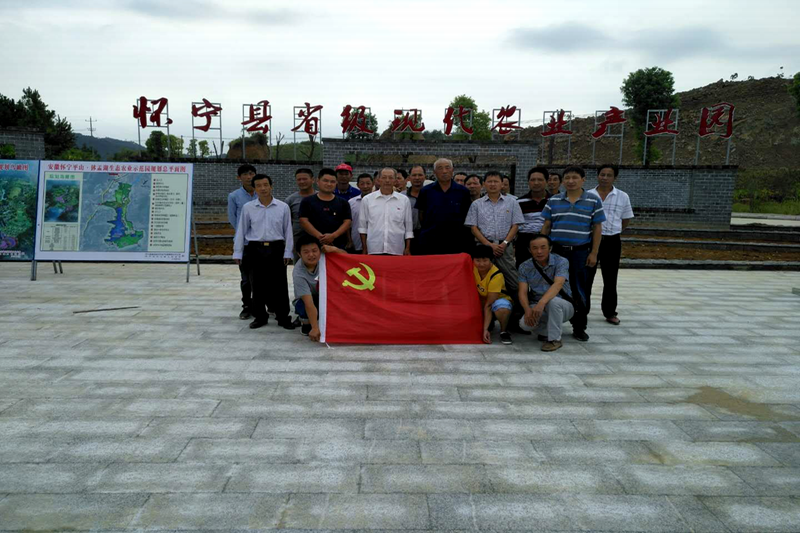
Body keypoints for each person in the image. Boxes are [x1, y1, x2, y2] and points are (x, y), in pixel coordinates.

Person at [541, 166, 605, 342]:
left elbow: (597, 228)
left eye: (575, 177)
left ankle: (579, 326)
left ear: (583, 180)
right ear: (563, 181)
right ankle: (549, 326)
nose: (570, 181)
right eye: (567, 178)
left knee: (580, 289)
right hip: (556, 251)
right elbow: (546, 226)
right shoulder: (554, 200)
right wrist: (542, 249)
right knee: (553, 287)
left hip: (580, 252)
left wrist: (594, 253)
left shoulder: (593, 200)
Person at [233, 174, 295, 330]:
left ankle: (283, 316)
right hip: (255, 248)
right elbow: (241, 230)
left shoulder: (282, 207)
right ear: (254, 189)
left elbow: (288, 230)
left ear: (271, 186)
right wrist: (238, 252)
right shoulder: (248, 208)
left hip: (277, 248)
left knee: (279, 285)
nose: (263, 188)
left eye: (266, 185)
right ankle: (260, 316)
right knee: (257, 284)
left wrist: (288, 252)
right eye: (259, 185)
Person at [464, 171, 524, 300]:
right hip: (483, 247)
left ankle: (516, 306)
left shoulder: (512, 202)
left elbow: (516, 225)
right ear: (484, 184)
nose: (492, 184)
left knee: (512, 279)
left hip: (504, 247)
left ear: (502, 184)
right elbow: (473, 227)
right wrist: (489, 245)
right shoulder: (476, 204)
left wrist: (504, 243)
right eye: (489, 181)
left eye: (496, 181)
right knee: (481, 277)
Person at [587, 163, 634, 325]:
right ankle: (582, 310)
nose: (605, 178)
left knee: (610, 278)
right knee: (586, 277)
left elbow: (625, 219)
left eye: (609, 175)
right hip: (589, 240)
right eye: (602, 174)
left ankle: (610, 312)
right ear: (597, 175)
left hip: (612, 241)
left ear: (615, 178)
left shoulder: (622, 196)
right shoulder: (587, 195)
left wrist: (615, 230)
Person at [517, 234, 575, 352]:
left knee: (553, 302)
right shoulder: (524, 266)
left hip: (562, 305)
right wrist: (527, 310)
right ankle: (547, 331)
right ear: (529, 250)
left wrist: (542, 303)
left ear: (550, 248)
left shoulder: (561, 261)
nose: (539, 251)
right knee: (525, 324)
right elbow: (522, 292)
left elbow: (558, 284)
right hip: (537, 305)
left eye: (543, 247)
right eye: (535, 248)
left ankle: (554, 340)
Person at [292, 235, 346, 340]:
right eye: (306, 252)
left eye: (314, 250)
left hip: (326, 296)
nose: (311, 255)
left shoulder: (325, 257)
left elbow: (349, 260)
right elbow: (309, 303)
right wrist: (315, 328)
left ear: (320, 250)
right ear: (299, 254)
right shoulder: (298, 273)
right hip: (309, 299)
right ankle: (306, 322)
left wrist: (335, 249)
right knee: (303, 307)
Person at [415, 158, 472, 255]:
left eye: (447, 168)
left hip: (456, 240)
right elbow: (421, 214)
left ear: (452, 170)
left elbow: (466, 214)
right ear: (434, 172)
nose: (444, 171)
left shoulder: (463, 191)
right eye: (440, 168)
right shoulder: (426, 191)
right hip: (430, 240)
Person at [359, 168, 414, 255]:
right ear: (379, 180)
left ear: (395, 180)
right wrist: (364, 248)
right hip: (374, 249)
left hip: (397, 249)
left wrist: (407, 248)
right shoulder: (367, 200)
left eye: (391, 178)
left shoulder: (404, 200)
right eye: (384, 177)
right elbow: (363, 227)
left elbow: (408, 227)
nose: (387, 180)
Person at [227, 164, 256, 320]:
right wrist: (242, 233)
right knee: (246, 279)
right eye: (245, 174)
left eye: (251, 173)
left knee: (262, 277)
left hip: (260, 242)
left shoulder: (262, 193)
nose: (249, 177)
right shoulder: (234, 196)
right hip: (244, 243)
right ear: (239, 177)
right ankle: (246, 306)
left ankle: (262, 304)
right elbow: (233, 219)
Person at [299, 168, 352, 250]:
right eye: (325, 181)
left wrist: (333, 236)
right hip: (313, 246)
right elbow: (303, 221)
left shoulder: (343, 203)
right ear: (318, 181)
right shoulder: (307, 201)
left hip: (338, 245)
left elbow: (347, 222)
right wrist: (321, 237)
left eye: (332, 182)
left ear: (336, 183)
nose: (329, 184)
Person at [473, 245, 514, 346]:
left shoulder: (496, 275)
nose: (481, 264)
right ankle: (489, 322)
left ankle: (504, 331)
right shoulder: (472, 268)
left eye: (485, 260)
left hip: (495, 302)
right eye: (477, 260)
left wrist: (485, 330)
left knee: (502, 309)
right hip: (480, 302)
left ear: (491, 260)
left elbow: (489, 304)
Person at [515, 166, 550, 267]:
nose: (536, 183)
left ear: (546, 181)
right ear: (528, 182)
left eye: (540, 180)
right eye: (533, 180)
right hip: (524, 241)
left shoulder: (554, 201)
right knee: (523, 269)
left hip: (547, 240)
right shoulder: (519, 202)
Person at [284, 168, 316, 262]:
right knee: (299, 266)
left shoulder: (321, 197)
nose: (302, 182)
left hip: (318, 239)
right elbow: (286, 223)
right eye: (299, 179)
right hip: (298, 240)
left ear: (313, 180)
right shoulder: (290, 200)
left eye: (305, 179)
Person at [348, 173, 374, 253]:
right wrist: (349, 240)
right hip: (356, 242)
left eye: (368, 183)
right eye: (362, 184)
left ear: (373, 184)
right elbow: (348, 224)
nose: (365, 186)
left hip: (375, 244)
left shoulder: (380, 202)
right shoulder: (351, 202)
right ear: (357, 185)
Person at [405, 165, 425, 255]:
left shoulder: (431, 194)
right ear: (409, 178)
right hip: (406, 237)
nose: (417, 178)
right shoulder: (402, 196)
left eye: (420, 175)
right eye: (414, 175)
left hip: (426, 235)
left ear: (425, 177)